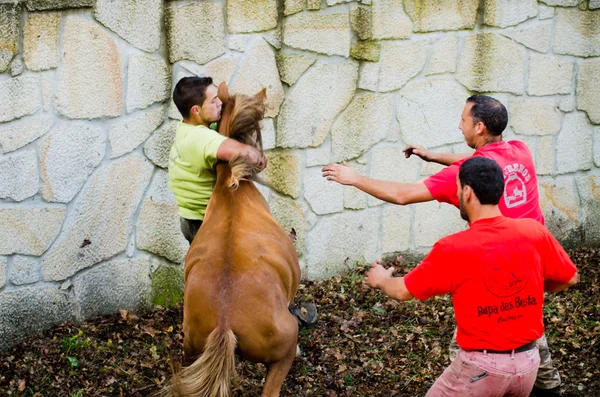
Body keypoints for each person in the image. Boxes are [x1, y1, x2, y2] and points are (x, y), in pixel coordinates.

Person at [322, 95, 562, 397]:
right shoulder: (520, 151)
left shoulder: (463, 180)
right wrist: (433, 156)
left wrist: (355, 178)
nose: (458, 125)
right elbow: (477, 160)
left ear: (479, 126)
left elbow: (403, 194)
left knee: (479, 345)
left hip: (492, 270)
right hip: (531, 261)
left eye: (463, 120)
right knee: (528, 334)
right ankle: (544, 387)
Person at [365, 157, 579, 397]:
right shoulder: (533, 231)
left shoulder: (453, 248)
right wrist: (532, 288)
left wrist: (381, 279)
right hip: (528, 364)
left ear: (466, 192)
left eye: (457, 189)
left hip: (482, 369)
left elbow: (402, 291)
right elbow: (569, 278)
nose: (456, 195)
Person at [168, 76, 316, 328]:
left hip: (191, 218)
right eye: (213, 101)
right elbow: (241, 152)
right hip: (208, 220)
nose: (218, 104)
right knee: (246, 267)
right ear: (195, 110)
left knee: (214, 277)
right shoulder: (202, 139)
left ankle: (210, 319)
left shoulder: (188, 130)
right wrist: (258, 156)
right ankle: (274, 311)